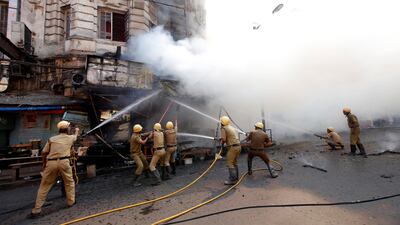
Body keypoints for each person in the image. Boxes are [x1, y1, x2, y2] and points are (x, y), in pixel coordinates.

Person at [30, 121, 79, 218]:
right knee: (69, 182)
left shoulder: (51, 139)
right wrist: (77, 131)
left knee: (45, 185)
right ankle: (71, 202)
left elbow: (44, 153)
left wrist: (44, 164)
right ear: (68, 129)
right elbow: (75, 137)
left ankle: (37, 210)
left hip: (51, 162)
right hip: (64, 162)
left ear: (59, 130)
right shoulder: (70, 138)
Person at [220, 116, 241, 185]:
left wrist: (222, 144)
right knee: (234, 162)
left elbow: (224, 139)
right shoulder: (231, 127)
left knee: (230, 163)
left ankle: (233, 180)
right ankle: (236, 178)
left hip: (232, 147)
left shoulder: (223, 128)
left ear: (222, 123)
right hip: (238, 146)